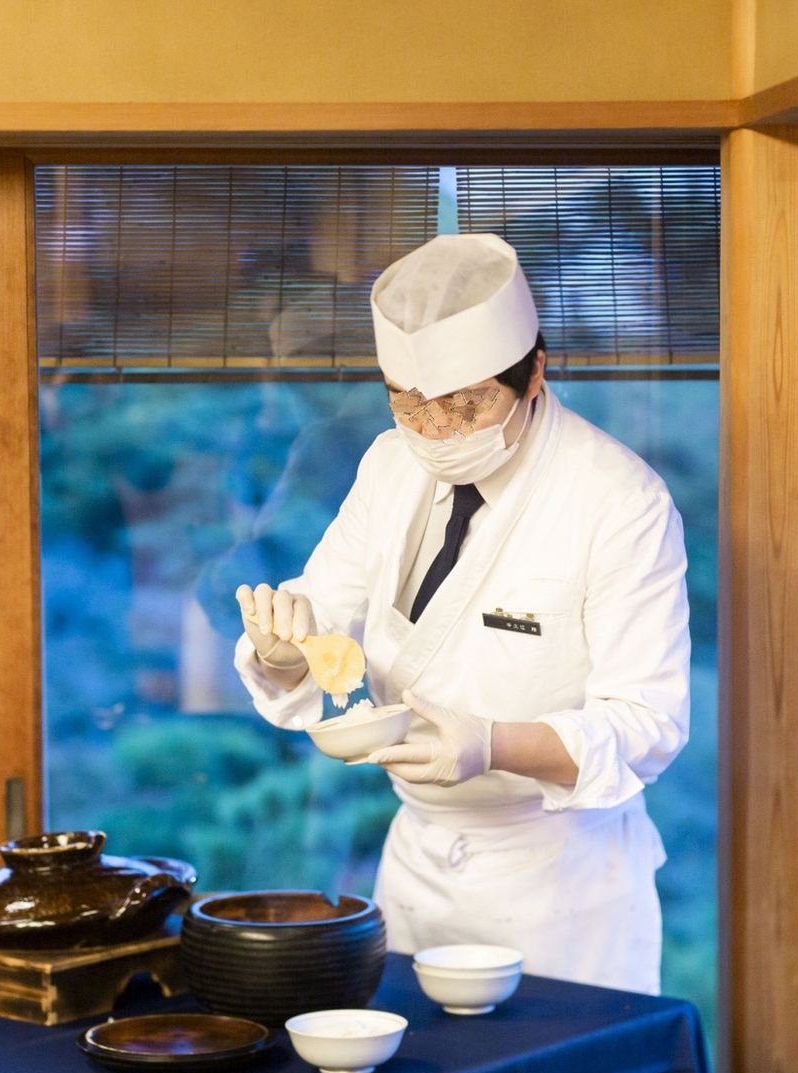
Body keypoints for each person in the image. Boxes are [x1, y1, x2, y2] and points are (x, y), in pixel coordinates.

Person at [233, 232, 690, 994]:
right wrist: (284, 655)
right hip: (418, 864)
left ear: (534, 372)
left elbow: (649, 725)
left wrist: (494, 744)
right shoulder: (390, 464)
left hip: (561, 884)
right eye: (408, 404)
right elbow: (324, 612)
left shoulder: (619, 501)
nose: (435, 431)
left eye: (465, 405)